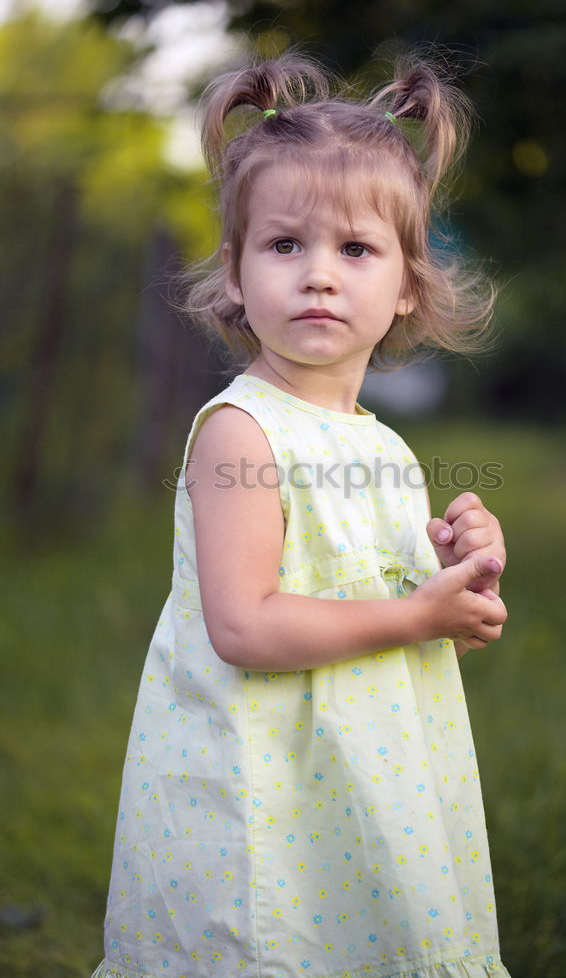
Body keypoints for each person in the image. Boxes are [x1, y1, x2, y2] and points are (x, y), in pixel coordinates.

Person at [92, 53, 511, 978]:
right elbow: (244, 625)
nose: (318, 274)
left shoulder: (381, 445)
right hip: (263, 781)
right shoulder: (241, 432)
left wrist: (455, 574)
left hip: (362, 770)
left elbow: (391, 601)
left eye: (354, 250)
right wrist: (417, 614)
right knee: (273, 949)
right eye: (284, 246)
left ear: (406, 282)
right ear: (236, 275)